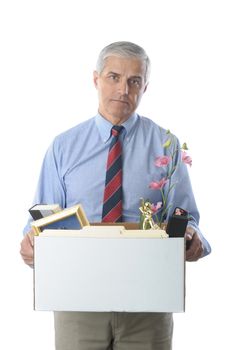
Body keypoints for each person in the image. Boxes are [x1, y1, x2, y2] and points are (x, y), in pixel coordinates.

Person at [20, 41, 211, 350]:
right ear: (95, 79)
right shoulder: (63, 147)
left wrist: (191, 236)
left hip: (149, 298)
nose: (124, 89)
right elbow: (44, 219)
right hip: (77, 298)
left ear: (145, 86)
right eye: (114, 77)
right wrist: (31, 242)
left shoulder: (167, 145)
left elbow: (185, 216)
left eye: (134, 81)